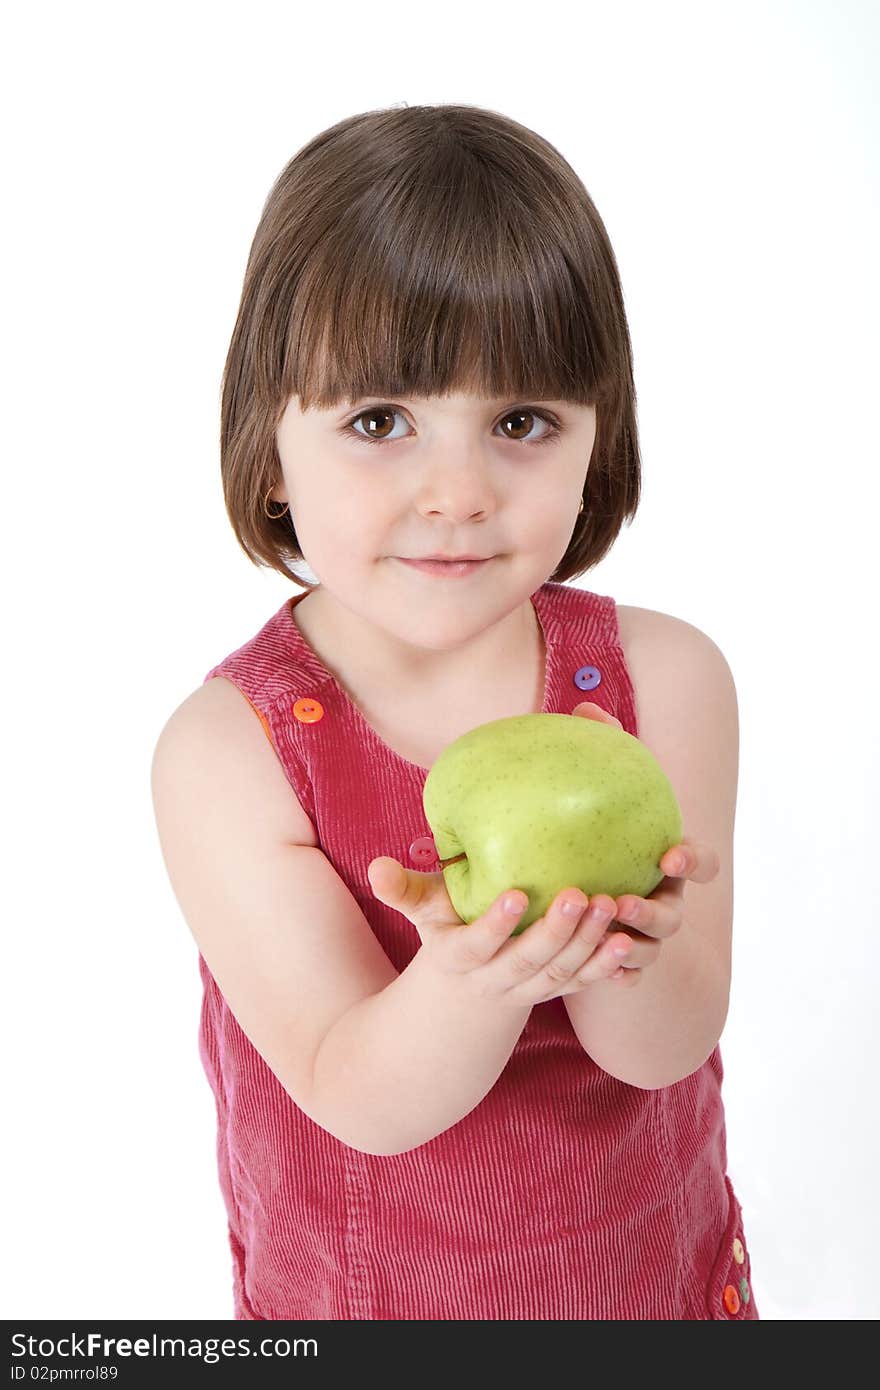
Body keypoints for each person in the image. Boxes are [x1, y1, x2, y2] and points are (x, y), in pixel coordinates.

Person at [150, 103, 757, 1321]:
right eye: (380, 422)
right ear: (270, 449)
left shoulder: (662, 683)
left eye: (521, 423)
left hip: (642, 1290)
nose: (458, 492)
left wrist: (620, 945)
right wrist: (472, 979)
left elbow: (662, 1047)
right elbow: (355, 1094)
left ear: (600, 441)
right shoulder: (230, 751)